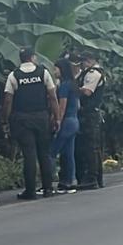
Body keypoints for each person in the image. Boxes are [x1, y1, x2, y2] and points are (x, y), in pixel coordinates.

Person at [2, 48, 60, 200]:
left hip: (22, 119)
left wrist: (5, 120)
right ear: (33, 57)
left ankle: (31, 191)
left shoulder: (14, 75)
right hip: (41, 117)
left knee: (29, 155)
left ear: (20, 59)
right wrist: (57, 117)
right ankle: (48, 188)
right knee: (44, 154)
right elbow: (53, 97)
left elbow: (8, 99)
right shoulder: (43, 72)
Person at [75, 51, 107, 189]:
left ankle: (92, 177)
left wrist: (74, 89)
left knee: (91, 147)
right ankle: (95, 178)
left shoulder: (93, 73)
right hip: (88, 114)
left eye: (84, 61)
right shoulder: (88, 72)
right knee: (91, 147)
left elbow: (87, 92)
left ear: (90, 60)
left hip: (90, 114)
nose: (82, 64)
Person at [51, 57, 80, 194]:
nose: (54, 71)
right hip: (74, 120)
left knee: (52, 152)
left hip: (66, 121)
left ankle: (48, 181)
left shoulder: (64, 86)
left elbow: (62, 106)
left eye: (55, 69)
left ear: (61, 69)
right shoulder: (73, 84)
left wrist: (57, 121)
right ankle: (69, 181)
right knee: (68, 153)